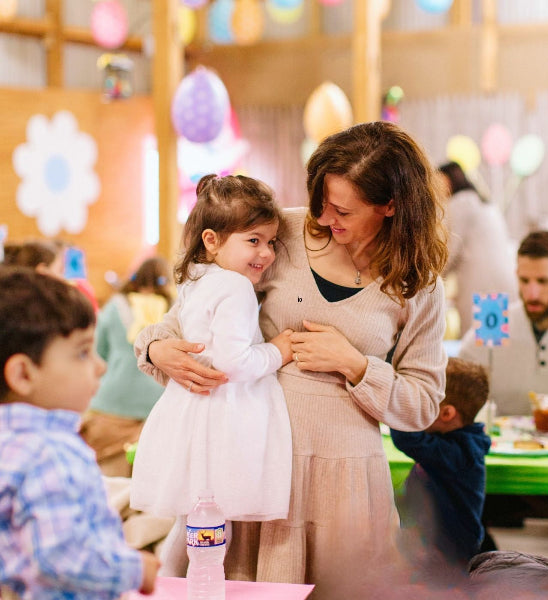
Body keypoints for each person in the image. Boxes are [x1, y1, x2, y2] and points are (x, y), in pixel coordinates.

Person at [134, 122, 449, 598]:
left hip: (343, 484)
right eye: (321, 201)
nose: (324, 218)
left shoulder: (416, 281)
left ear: (391, 207)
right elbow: (189, 315)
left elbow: (423, 405)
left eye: (343, 209)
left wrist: (356, 366)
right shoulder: (277, 236)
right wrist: (157, 348)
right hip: (247, 464)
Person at [130, 174, 294, 578]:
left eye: (271, 242)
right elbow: (234, 363)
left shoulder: (198, 280)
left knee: (191, 523)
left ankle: (165, 582)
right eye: (253, 240)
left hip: (194, 412)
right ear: (211, 240)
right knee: (213, 530)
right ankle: (190, 586)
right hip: (225, 417)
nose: (267, 253)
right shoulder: (236, 287)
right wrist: (279, 351)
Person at [0, 267, 159, 599]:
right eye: (83, 353)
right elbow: (61, 557)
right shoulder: (48, 451)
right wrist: (133, 569)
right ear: (23, 375)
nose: (100, 367)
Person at [459, 230, 548, 423]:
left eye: (543, 281)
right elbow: (457, 392)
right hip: (502, 449)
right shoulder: (493, 321)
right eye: (524, 280)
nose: (532, 293)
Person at [390, 357, 491, 569]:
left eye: (424, 402)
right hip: (433, 542)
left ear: (446, 413)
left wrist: (398, 401)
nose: (419, 407)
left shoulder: (459, 453)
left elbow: (407, 438)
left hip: (448, 551)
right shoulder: (455, 442)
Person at [79, 256, 174, 477]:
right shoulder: (174, 308)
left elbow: (97, 353)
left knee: (111, 477)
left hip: (113, 404)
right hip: (161, 403)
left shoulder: (114, 307)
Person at [438, 161, 517, 337]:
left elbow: (448, 250)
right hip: (499, 286)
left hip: (483, 288)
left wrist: (427, 280)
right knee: (493, 344)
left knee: (481, 347)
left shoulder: (462, 203)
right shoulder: (484, 204)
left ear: (449, 180)